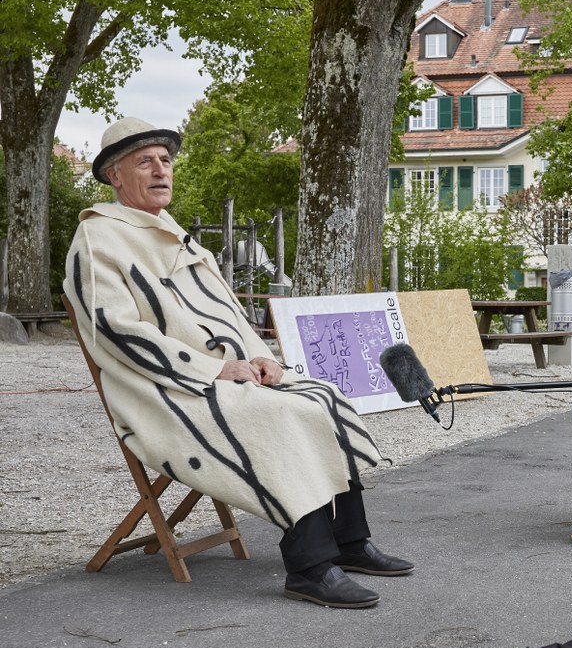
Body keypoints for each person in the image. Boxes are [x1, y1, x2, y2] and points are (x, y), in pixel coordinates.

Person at [64, 117, 414, 608]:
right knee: (278, 416)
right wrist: (210, 369)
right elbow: (118, 333)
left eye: (165, 160)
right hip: (164, 392)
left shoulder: (175, 235)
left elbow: (228, 312)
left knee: (321, 397)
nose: (160, 169)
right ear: (114, 176)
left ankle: (350, 542)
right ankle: (310, 568)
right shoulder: (99, 240)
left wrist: (260, 358)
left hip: (223, 378)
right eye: (145, 161)